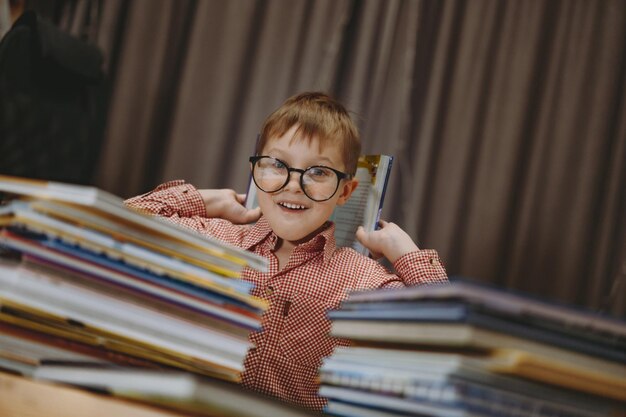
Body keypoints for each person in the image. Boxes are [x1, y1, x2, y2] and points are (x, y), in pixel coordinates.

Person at [125, 91, 448, 411]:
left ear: (345, 191)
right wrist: (205, 200)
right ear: (256, 172)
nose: (294, 184)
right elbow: (119, 224)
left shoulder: (365, 282)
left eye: (319, 172)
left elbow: (445, 336)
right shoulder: (215, 238)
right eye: (278, 164)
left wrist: (406, 254)